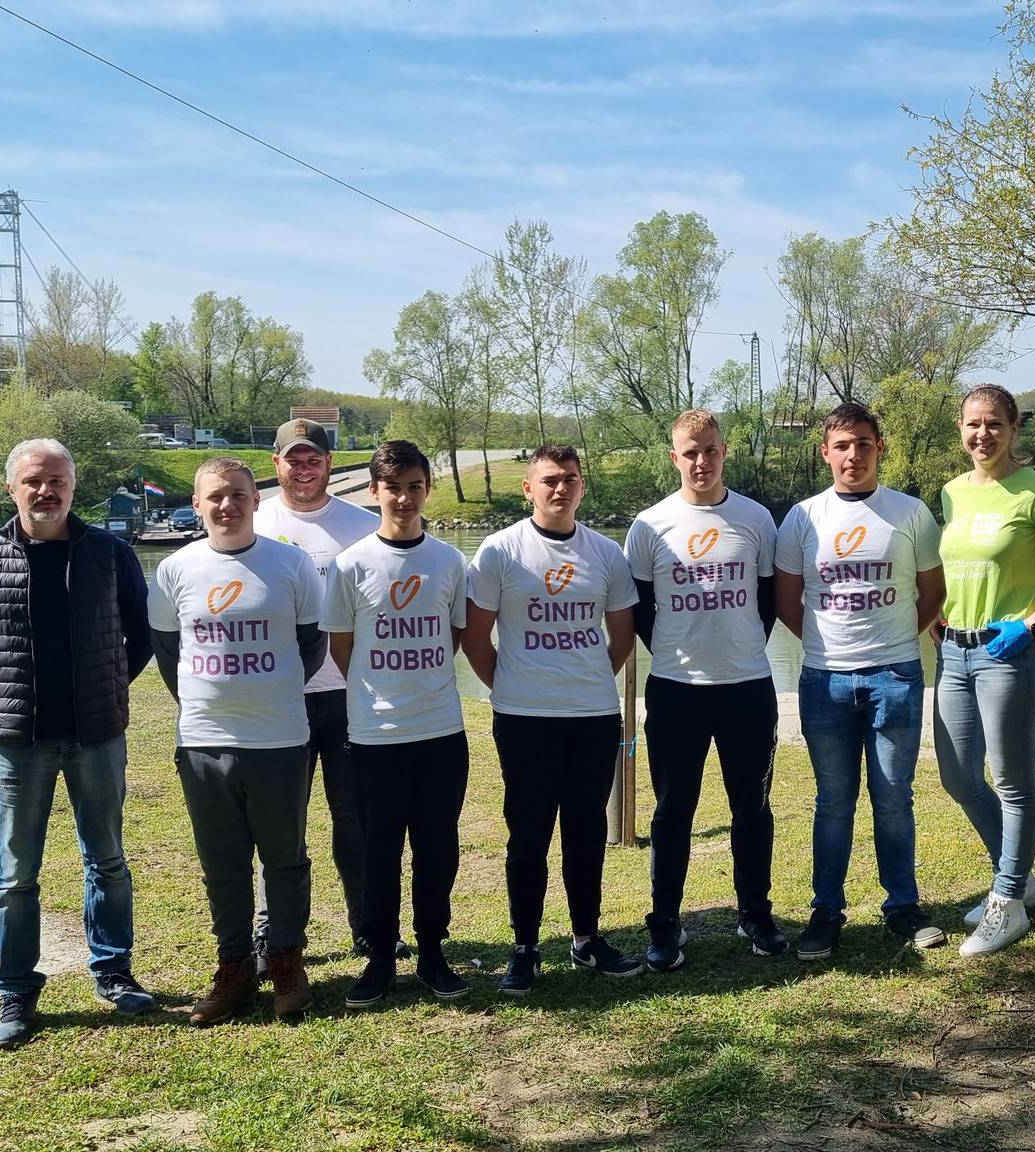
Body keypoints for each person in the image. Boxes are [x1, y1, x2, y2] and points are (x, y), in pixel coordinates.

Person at [0, 438, 156, 1050]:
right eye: (34, 481)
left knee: (107, 860)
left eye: (57, 480)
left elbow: (140, 638)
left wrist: (103, 689)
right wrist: (8, 693)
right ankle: (15, 990)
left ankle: (113, 972)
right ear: (12, 488)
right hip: (18, 742)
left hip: (97, 735)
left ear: (73, 486)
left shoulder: (110, 555)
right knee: (15, 873)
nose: (46, 491)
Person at [148, 457, 326, 1025]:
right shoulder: (175, 570)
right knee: (222, 864)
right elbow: (169, 653)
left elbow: (312, 645)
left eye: (237, 494)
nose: (227, 505)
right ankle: (234, 968)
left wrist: (269, 691)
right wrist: (210, 701)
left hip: (279, 739)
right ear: (197, 506)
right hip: (204, 741)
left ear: (256, 499)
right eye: (215, 496)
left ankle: (287, 964)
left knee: (284, 860)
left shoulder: (292, 565)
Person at [463, 445, 644, 993]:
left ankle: (587, 938)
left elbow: (621, 637)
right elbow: (476, 638)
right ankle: (525, 947)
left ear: (582, 486)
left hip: (592, 716)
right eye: (548, 480)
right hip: (524, 718)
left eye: (569, 479)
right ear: (528, 488)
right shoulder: (500, 551)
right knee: (528, 834)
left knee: (586, 831)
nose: (559, 488)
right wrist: (512, 685)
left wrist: (583, 680)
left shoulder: (606, 553)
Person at [774, 402, 947, 961]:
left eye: (864, 444)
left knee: (894, 797)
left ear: (879, 448)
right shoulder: (802, 518)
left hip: (896, 676)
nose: (854, 455)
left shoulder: (911, 513)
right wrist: (828, 647)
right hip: (824, 680)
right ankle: (826, 911)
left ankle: (903, 907)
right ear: (826, 453)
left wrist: (893, 644)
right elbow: (785, 600)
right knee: (833, 801)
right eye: (843, 446)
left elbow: (933, 593)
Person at [625, 409, 786, 970]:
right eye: (690, 453)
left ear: (724, 452)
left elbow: (767, 601)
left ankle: (756, 913)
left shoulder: (757, 519)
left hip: (747, 688)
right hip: (677, 690)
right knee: (673, 811)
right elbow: (641, 610)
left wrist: (739, 646)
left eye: (710, 450)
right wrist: (679, 650)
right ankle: (665, 923)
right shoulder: (649, 525)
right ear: (675, 457)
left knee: (752, 807)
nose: (701, 462)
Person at [934, 384, 1035, 955]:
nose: (983, 434)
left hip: (1008, 655)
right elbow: (950, 566)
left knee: (1013, 783)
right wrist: (936, 615)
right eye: (974, 424)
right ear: (960, 428)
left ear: (1013, 428)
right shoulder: (951, 493)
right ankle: (1020, 879)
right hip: (953, 652)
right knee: (958, 777)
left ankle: (1008, 901)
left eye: (995, 423)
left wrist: (1032, 625)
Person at [322, 440, 472, 1007]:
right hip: (374, 736)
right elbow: (342, 647)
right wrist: (379, 690)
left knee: (437, 848)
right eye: (393, 488)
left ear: (427, 489)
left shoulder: (449, 561)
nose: (404, 499)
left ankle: (433, 952)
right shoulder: (351, 564)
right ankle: (380, 958)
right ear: (374, 491)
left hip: (440, 732)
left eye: (414, 487)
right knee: (377, 851)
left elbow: (453, 635)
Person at [251, 417, 390, 967]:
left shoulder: (363, 526)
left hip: (350, 696)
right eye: (294, 459)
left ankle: (370, 927)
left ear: (330, 463)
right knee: (280, 824)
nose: (304, 468)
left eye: (314, 459)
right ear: (276, 464)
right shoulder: (253, 522)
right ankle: (276, 935)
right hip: (279, 697)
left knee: (356, 819)